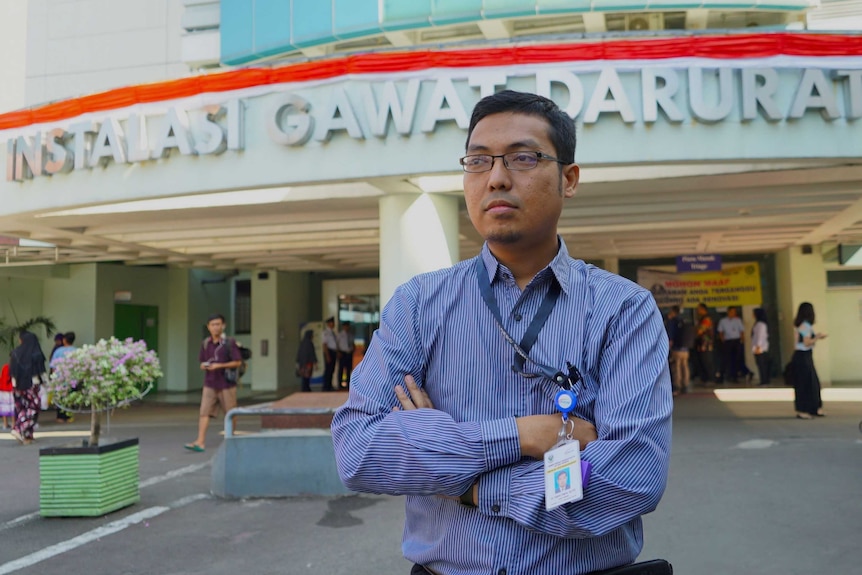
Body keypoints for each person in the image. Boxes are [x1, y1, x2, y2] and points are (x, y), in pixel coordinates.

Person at [332, 90, 673, 575]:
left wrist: (468, 481)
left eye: (523, 158)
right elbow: (360, 452)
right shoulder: (418, 306)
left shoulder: (622, 310)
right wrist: (525, 436)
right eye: (478, 161)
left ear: (568, 179)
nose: (495, 178)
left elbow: (630, 476)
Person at [184, 313, 243, 452]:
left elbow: (237, 362)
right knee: (204, 412)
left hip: (227, 384)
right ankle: (200, 441)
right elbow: (201, 361)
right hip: (210, 383)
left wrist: (219, 366)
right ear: (208, 327)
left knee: (230, 412)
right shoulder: (205, 343)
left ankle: (231, 439)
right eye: (212, 325)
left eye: (218, 324)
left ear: (223, 326)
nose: (215, 327)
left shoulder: (229, 343)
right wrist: (204, 366)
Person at [789, 302, 827, 419]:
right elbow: (806, 342)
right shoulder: (805, 326)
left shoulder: (802, 325)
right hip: (803, 356)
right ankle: (803, 410)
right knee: (805, 383)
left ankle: (813, 408)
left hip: (804, 356)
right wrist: (817, 337)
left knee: (812, 383)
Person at [9, 331, 47, 445]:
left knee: (21, 408)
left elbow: (12, 372)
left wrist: (14, 384)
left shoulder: (15, 353)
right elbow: (41, 371)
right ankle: (18, 429)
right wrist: (47, 383)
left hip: (18, 386)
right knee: (33, 408)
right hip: (32, 385)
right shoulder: (36, 353)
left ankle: (27, 435)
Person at [717, 307, 750, 384]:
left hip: (736, 341)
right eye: (732, 312)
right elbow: (720, 331)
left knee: (736, 359)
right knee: (726, 359)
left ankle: (734, 376)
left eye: (734, 312)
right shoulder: (723, 321)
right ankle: (722, 376)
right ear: (728, 312)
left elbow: (741, 331)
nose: (733, 313)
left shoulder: (738, 320)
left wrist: (742, 340)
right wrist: (723, 340)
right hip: (728, 341)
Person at [50, 331, 77, 422]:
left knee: (60, 397)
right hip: (72, 378)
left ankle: (60, 417)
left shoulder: (58, 351)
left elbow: (53, 366)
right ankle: (69, 416)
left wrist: (53, 377)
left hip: (60, 378)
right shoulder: (76, 351)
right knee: (70, 397)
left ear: (64, 340)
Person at [665, 305, 691, 395]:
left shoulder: (672, 321)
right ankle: (686, 385)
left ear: (673, 311)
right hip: (685, 349)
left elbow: (671, 334)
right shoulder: (683, 320)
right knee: (685, 366)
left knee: (676, 367)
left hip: (676, 348)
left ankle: (677, 385)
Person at [694, 302, 715, 384]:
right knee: (702, 362)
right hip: (701, 345)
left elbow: (700, 331)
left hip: (706, 344)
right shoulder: (701, 319)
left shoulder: (706, 319)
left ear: (703, 309)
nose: (697, 311)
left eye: (698, 309)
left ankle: (711, 379)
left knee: (707, 362)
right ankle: (705, 379)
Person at [751, 308, 770, 386]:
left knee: (762, 364)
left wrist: (758, 346)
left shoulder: (761, 324)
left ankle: (764, 380)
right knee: (760, 364)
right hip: (758, 347)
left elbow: (760, 336)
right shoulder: (758, 323)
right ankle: (764, 379)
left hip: (760, 348)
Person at [336, 321, 355, 390]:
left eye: (348, 326)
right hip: (342, 353)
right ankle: (339, 385)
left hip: (349, 353)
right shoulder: (340, 335)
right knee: (341, 369)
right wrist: (338, 352)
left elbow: (353, 344)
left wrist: (353, 350)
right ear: (343, 327)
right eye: (346, 326)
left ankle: (348, 385)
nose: (347, 327)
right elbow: (337, 344)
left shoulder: (350, 335)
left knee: (348, 369)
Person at [321, 317, 338, 392]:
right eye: (332, 322)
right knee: (328, 370)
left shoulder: (333, 332)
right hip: (329, 352)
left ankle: (330, 385)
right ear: (328, 324)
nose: (333, 324)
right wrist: (327, 355)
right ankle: (326, 386)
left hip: (333, 352)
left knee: (332, 370)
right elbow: (324, 344)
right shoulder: (326, 332)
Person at [0, 362, 13, 430]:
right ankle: (14, 424)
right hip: (10, 389)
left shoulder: (5, 366)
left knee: (4, 407)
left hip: (2, 389)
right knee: (13, 407)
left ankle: (5, 424)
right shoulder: (13, 367)